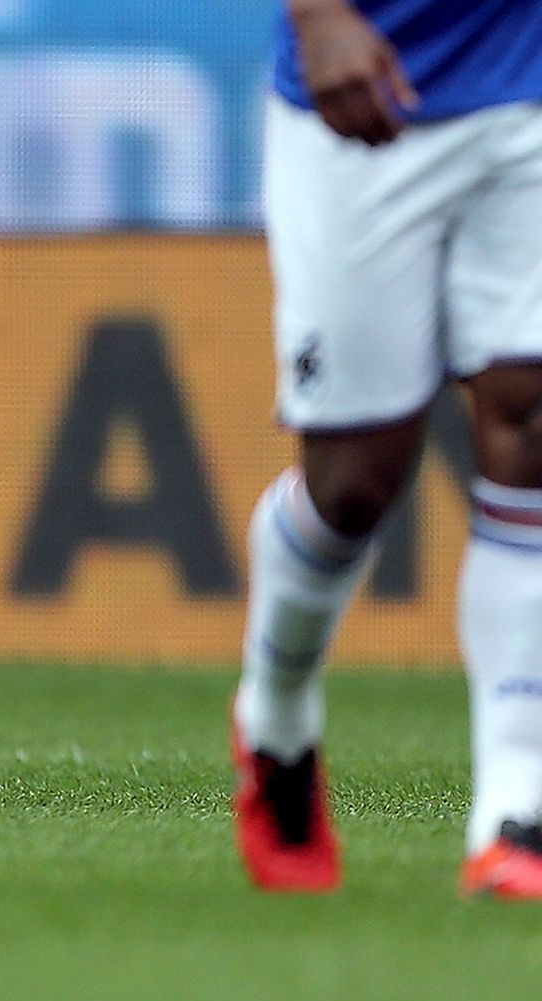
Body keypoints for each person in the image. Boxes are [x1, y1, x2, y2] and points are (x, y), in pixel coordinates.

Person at [234, 0, 542, 898]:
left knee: (529, 422)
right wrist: (317, 14)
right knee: (357, 485)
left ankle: (514, 814)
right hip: (367, 89)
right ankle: (276, 712)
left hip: (525, 79)